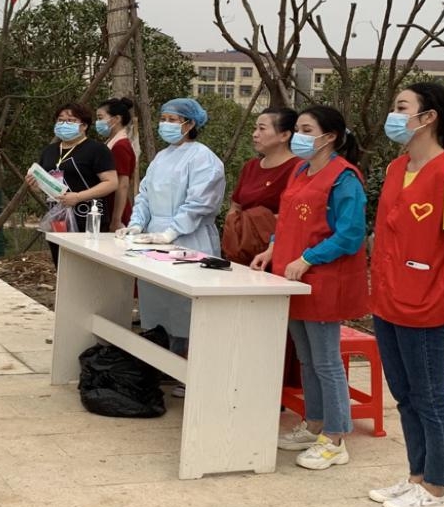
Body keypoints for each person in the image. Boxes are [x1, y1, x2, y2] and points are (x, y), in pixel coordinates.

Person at [367, 82, 444, 507]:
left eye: (402, 107)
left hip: (426, 303)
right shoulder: (398, 167)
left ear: (428, 117)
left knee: (430, 396)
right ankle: (417, 475)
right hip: (388, 297)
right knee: (405, 394)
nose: (394, 115)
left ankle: (437, 485)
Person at [250, 106, 369, 469]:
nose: (298, 136)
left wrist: (308, 258)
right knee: (306, 357)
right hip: (291, 276)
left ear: (328, 137)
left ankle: (336, 437)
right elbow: (286, 220)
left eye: (305, 129)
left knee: (327, 360)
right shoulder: (301, 170)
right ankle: (314, 423)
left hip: (323, 280)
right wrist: (272, 249)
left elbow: (350, 233)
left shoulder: (344, 178)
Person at [117, 98, 227, 355]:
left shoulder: (203, 158)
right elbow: (145, 194)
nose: (165, 124)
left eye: (172, 120)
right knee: (158, 302)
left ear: (190, 124)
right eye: (163, 119)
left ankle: (187, 361)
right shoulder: (161, 157)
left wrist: (171, 232)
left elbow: (199, 203)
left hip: (190, 238)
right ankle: (160, 358)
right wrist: (136, 225)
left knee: (184, 307)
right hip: (153, 239)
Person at [31, 102, 119, 266]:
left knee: (86, 267)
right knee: (62, 264)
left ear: (84, 126)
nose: (64, 124)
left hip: (88, 217)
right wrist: (34, 184)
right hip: (58, 217)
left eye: (71, 121)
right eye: (60, 120)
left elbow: (111, 183)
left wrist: (79, 196)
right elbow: (44, 183)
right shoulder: (49, 151)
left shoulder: (97, 150)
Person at [223, 108, 300, 266]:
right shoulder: (251, 166)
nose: (255, 134)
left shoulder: (298, 168)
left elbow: (297, 215)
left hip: (277, 251)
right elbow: (235, 207)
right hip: (241, 251)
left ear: (285, 135)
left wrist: (258, 222)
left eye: (262, 129)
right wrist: (234, 235)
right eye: (255, 128)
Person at [94, 97, 138, 231]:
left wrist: (116, 219)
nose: (98, 122)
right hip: (106, 206)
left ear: (116, 119)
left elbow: (122, 185)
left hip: (115, 210)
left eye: (100, 118)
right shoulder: (110, 143)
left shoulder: (120, 146)